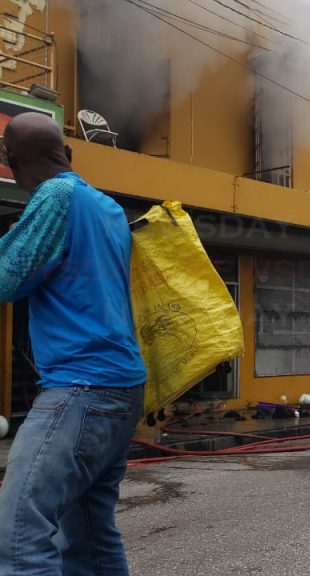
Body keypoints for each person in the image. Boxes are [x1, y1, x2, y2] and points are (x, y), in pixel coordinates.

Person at [0, 112, 148, 574]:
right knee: (89, 536)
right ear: (69, 153)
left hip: (79, 389)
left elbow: (8, 278)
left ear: (12, 163)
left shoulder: (54, 196)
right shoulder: (106, 207)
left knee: (20, 530)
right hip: (123, 388)